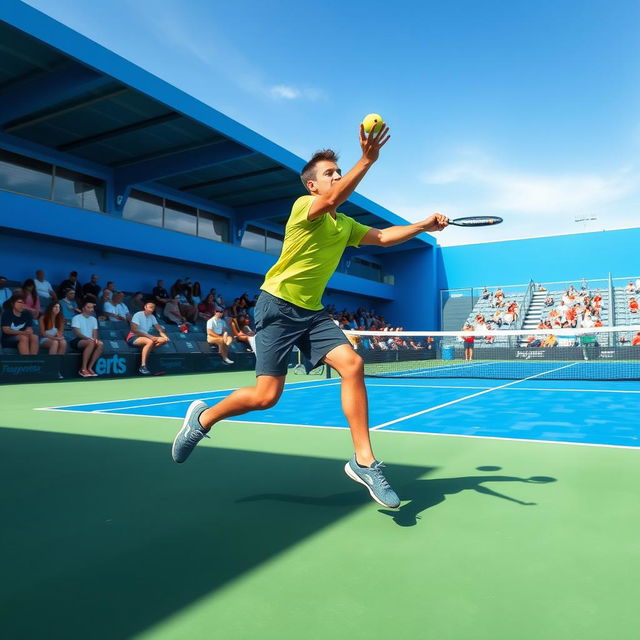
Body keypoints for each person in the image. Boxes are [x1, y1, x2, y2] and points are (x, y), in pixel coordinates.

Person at [171, 125, 449, 509]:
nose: (336, 176)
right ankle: (202, 420)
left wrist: (422, 225)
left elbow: (383, 238)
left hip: (312, 311)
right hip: (277, 305)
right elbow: (335, 197)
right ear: (312, 186)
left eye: (338, 171)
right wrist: (367, 160)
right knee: (266, 397)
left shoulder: (344, 224)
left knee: (352, 364)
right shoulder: (305, 208)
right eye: (330, 173)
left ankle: (364, 461)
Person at [127, 301, 170, 375]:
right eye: (150, 307)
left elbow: (159, 329)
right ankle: (143, 366)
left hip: (146, 337)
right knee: (150, 342)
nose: (151, 309)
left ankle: (146, 349)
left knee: (163, 341)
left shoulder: (152, 317)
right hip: (133, 337)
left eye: (153, 308)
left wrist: (165, 337)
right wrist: (149, 336)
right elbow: (134, 330)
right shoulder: (138, 315)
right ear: (145, 307)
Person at [70, 300, 104, 377]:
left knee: (100, 344)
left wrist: (94, 339)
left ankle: (90, 368)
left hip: (89, 340)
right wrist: (89, 339)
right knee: (91, 342)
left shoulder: (94, 319)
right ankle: (83, 369)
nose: (90, 309)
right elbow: (77, 333)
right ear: (83, 308)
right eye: (88, 307)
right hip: (77, 340)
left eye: (91, 307)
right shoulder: (76, 318)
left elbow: (95, 333)